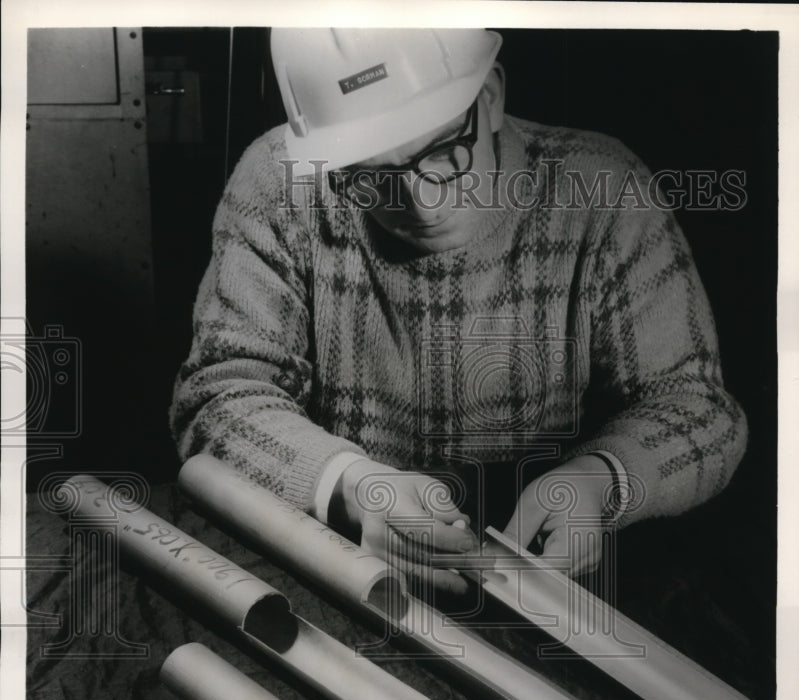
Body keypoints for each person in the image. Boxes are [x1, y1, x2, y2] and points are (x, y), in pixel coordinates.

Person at [170, 27, 747, 594]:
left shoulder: (605, 188)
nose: (422, 206)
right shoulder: (281, 181)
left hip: (557, 581)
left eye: (444, 153)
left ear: (490, 97)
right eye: (372, 179)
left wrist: (602, 480)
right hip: (351, 568)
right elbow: (218, 398)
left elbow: (699, 409)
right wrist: (349, 485)